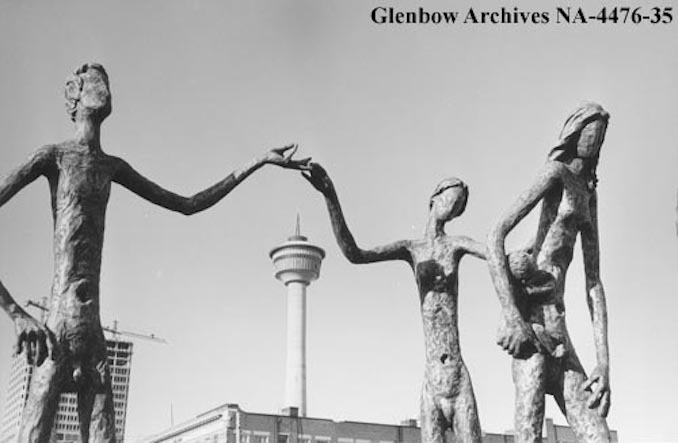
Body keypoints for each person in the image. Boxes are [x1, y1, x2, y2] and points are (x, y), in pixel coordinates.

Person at [0, 63, 308, 442]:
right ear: (75, 94)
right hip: (59, 330)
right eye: (96, 80)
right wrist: (16, 313)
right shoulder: (53, 157)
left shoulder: (112, 166)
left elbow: (188, 204)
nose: (106, 87)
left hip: (92, 335)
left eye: (107, 80)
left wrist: (258, 161)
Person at [303, 164, 485, 443]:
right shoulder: (411, 249)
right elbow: (355, 253)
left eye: (459, 204)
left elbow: (496, 254)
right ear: (433, 199)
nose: (453, 206)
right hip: (432, 381)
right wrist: (330, 195)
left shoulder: (458, 244)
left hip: (458, 376)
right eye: (451, 198)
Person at [487, 103, 612, 442]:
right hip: (533, 323)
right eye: (588, 130)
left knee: (598, 434)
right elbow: (495, 235)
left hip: (560, 331)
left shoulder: (589, 195)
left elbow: (593, 281)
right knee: (529, 433)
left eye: (600, 134)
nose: (594, 138)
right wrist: (513, 318)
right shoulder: (555, 172)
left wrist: (603, 363)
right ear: (574, 131)